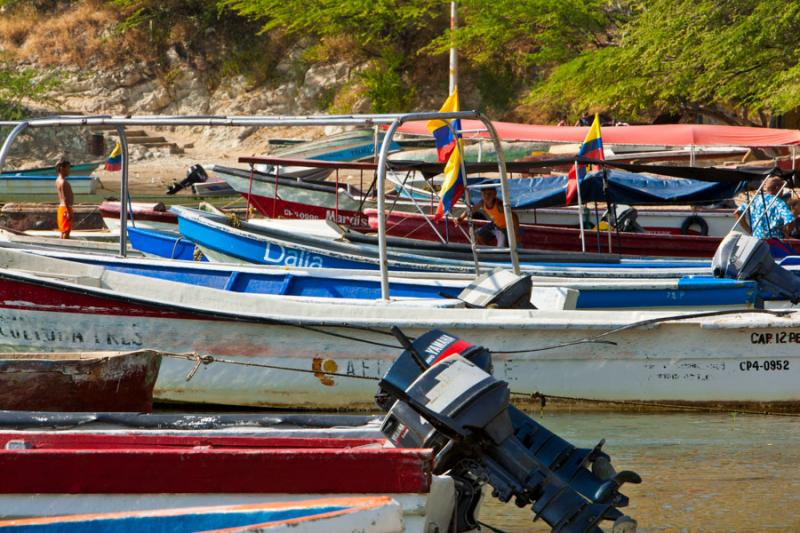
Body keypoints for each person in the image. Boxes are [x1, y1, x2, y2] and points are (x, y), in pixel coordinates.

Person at [54, 158, 73, 239]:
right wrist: (68, 211)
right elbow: (65, 198)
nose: (69, 170)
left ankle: (61, 244)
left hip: (63, 208)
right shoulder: (63, 182)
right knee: (66, 231)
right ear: (62, 169)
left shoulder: (58, 180)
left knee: (63, 231)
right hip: (65, 208)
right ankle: (65, 245)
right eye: (68, 168)